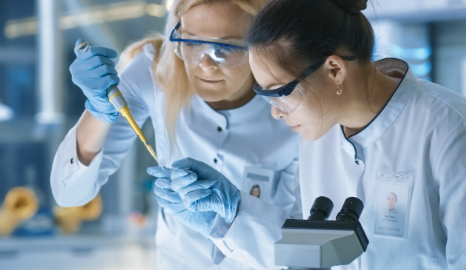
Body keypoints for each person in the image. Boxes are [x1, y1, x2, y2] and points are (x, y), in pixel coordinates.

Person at [169, 0, 466, 269]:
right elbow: (307, 250)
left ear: (334, 70)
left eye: (281, 92)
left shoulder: (452, 130)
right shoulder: (318, 135)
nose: (275, 112)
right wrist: (232, 215)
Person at [50, 0, 302, 269]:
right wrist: (98, 112)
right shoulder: (157, 68)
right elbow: (69, 195)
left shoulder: (295, 105)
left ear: (264, 43)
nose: (206, 64)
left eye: (226, 47)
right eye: (192, 43)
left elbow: (304, 247)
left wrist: (230, 219)